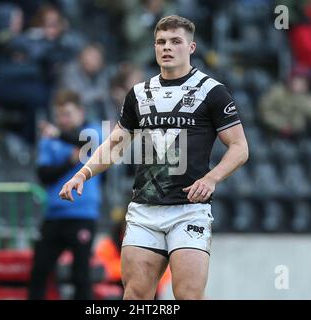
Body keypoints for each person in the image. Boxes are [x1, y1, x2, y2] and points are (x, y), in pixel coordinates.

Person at [59, 15, 249, 300]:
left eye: (175, 41)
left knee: (188, 295)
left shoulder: (212, 92)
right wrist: (82, 173)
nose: (167, 47)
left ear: (192, 47)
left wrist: (212, 178)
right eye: (161, 42)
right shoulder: (138, 94)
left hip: (189, 210)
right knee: (136, 295)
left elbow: (239, 147)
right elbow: (114, 145)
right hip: (144, 210)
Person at [28, 90, 102, 300]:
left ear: (81, 112)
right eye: (60, 115)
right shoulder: (50, 139)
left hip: (82, 214)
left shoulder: (92, 131)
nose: (63, 120)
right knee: (39, 270)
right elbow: (44, 174)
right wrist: (69, 162)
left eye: (68, 114)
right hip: (54, 214)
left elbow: (89, 145)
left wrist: (59, 136)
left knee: (81, 274)